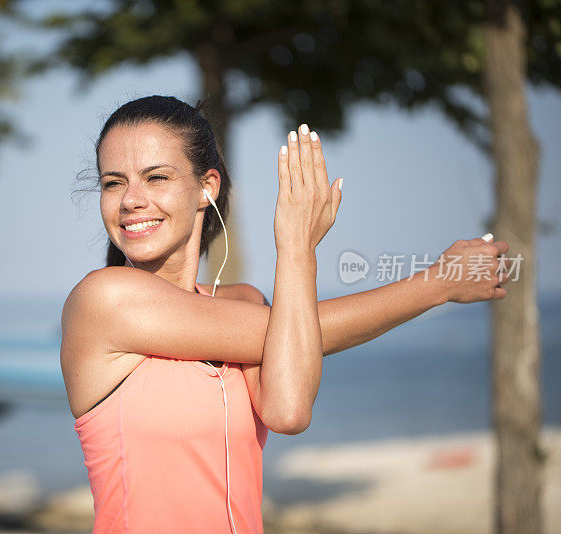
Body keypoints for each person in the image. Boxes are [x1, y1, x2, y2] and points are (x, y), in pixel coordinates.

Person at [59, 95, 512, 533]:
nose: (130, 200)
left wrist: (296, 250)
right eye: (113, 182)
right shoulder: (104, 300)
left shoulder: (245, 303)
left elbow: (290, 411)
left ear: (206, 187)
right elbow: (301, 333)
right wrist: (437, 283)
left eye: (155, 177)